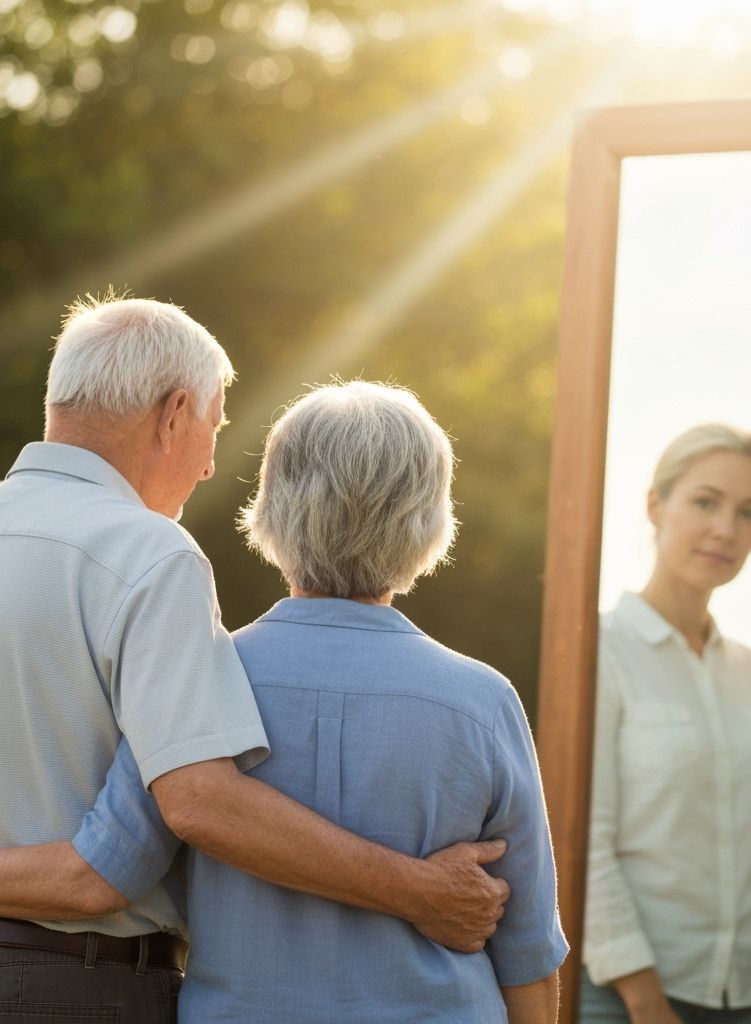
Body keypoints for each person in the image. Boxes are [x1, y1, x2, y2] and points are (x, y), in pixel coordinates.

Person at [0, 297, 508, 1021]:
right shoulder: (148, 553)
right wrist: (422, 893)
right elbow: (197, 803)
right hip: (73, 986)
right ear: (174, 413)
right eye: (214, 428)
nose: (210, 467)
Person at [580, 424, 751, 1024]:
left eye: (750, 512)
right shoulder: (600, 651)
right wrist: (644, 997)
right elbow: (583, 837)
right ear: (655, 505)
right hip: (628, 996)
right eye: (705, 502)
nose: (727, 529)